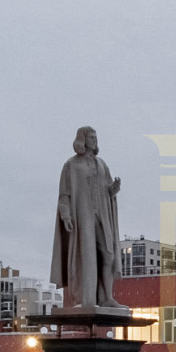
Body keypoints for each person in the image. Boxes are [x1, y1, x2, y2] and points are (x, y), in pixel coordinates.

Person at [49, 126, 123, 310]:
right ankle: (86, 299)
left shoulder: (102, 164)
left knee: (109, 255)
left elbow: (107, 189)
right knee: (87, 257)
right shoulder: (72, 165)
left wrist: (113, 189)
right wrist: (66, 215)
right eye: (91, 137)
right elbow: (64, 194)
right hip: (83, 217)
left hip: (102, 215)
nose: (94, 141)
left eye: (95, 137)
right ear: (82, 140)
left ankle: (107, 298)